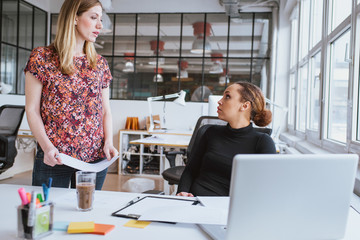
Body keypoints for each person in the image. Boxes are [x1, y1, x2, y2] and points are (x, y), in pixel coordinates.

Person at [24, 0, 118, 190]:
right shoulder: (41, 58)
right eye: (93, 18)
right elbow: (32, 110)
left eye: (100, 19)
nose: (100, 25)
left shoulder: (99, 64)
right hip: (54, 158)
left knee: (85, 216)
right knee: (46, 215)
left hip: (94, 160)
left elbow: (105, 111)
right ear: (74, 18)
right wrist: (47, 148)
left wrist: (108, 142)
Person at [177, 81, 276, 196]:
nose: (220, 101)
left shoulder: (262, 142)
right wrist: (182, 191)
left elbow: (265, 187)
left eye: (227, 96)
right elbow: (191, 170)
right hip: (195, 200)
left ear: (244, 106)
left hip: (229, 208)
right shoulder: (210, 132)